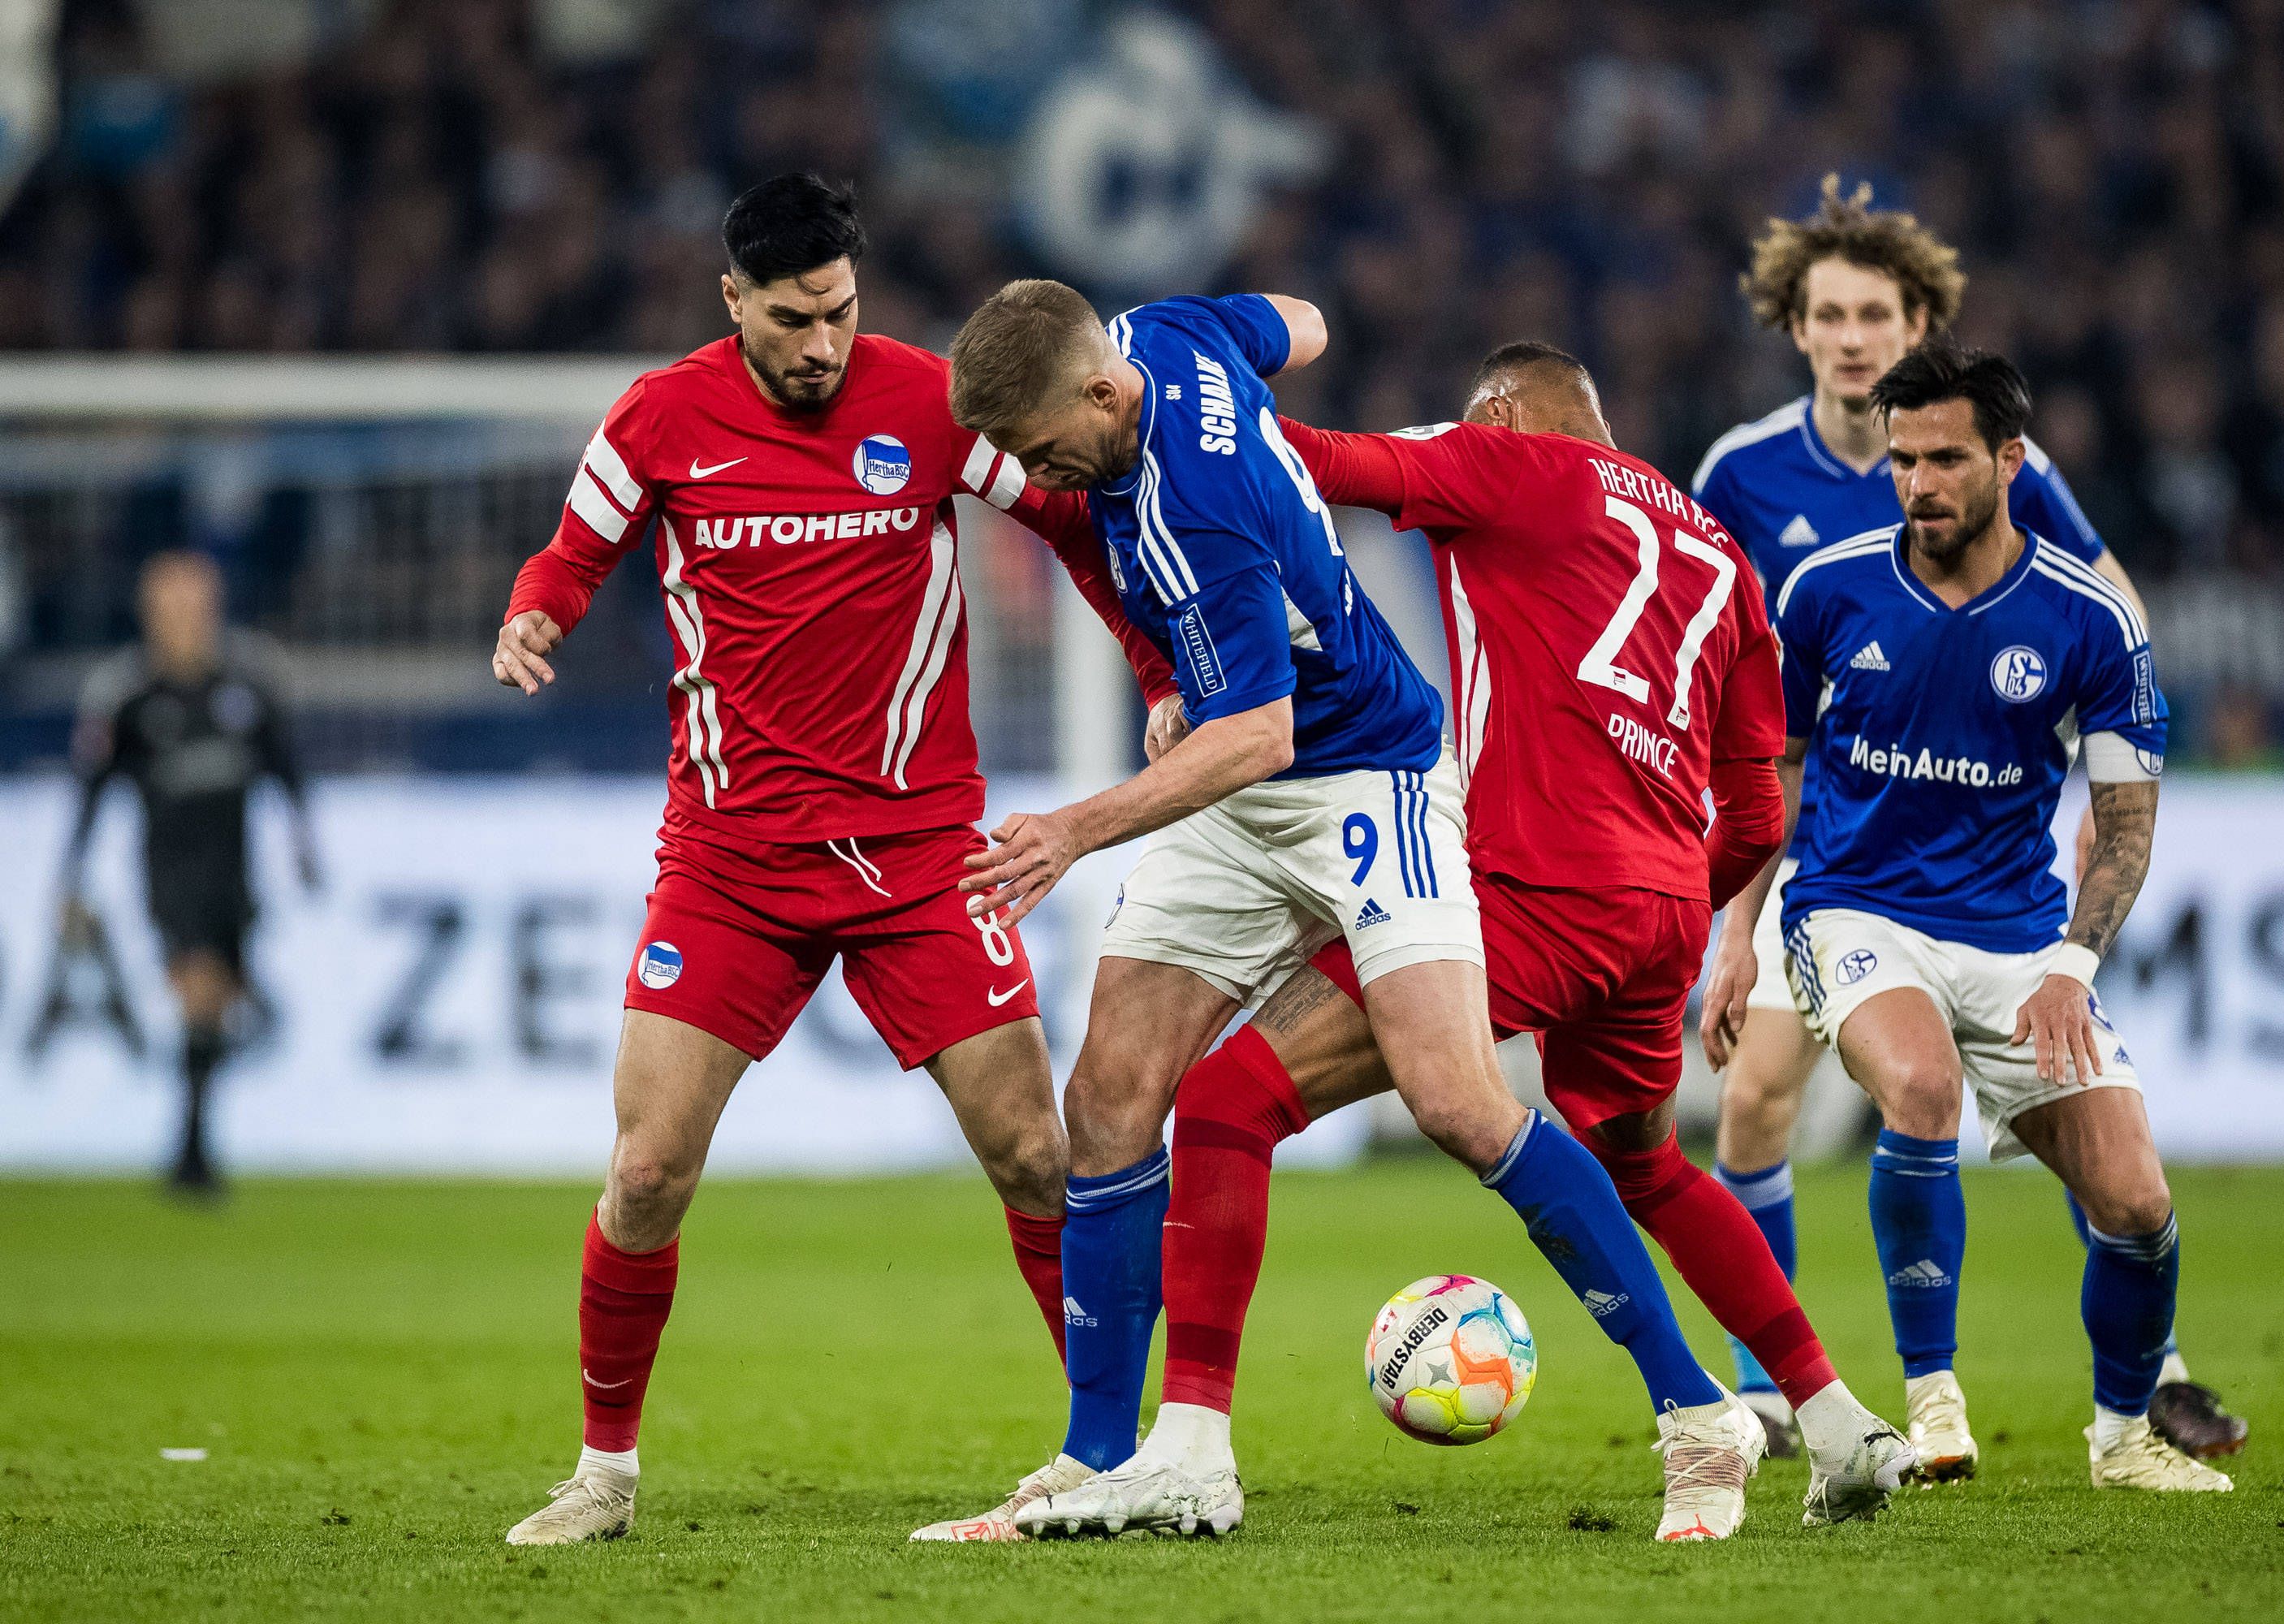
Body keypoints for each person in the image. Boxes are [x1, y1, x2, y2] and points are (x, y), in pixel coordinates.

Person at [939, 284, 1789, 1544]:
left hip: (1360, 778)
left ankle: (1695, 1408)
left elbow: (1260, 731)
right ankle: (1118, 1456)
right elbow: (1308, 318)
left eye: (1035, 441)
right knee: (1111, 1096)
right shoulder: (1170, 331)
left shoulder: (1195, 512)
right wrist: (1190, 645)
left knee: (1457, 1100)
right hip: (1239, 789)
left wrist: (1072, 829)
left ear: (1104, 393)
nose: (1030, 471)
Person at [490, 175, 1175, 1547]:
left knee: (1039, 1158)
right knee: (645, 1175)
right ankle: (604, 1477)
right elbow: (572, 558)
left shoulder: (927, 403)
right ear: (732, 301)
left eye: (843, 314)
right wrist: (533, 620)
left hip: (922, 855)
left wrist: (1159, 665)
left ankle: (1117, 1454)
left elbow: (1070, 520)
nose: (823, 346)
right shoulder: (659, 418)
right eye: (795, 320)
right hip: (730, 862)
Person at [1692, 175, 2241, 1466]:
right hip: (1832, 853)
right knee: (1768, 1097)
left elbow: (2103, 617)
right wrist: (1734, 911)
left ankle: (2139, 1385)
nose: (1848, 336)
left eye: (1871, 312)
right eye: (1826, 314)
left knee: (2118, 1177)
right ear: (1796, 328)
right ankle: (1792, 1383)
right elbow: (1738, 692)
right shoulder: (1749, 483)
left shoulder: (2017, 482)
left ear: (1915, 319)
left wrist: (2109, 750)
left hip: (1994, 888)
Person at [59, 550, 317, 1196]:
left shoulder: (248, 684)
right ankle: (192, 1157)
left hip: (235, 869)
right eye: (173, 608)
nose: (186, 620)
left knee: (221, 1005)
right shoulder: (128, 694)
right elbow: (91, 791)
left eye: (196, 606)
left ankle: (190, 1144)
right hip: (169, 872)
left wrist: (304, 844)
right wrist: (73, 875)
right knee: (199, 986)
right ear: (150, 615)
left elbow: (286, 770)